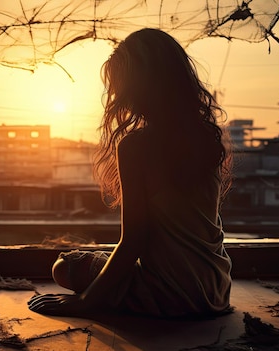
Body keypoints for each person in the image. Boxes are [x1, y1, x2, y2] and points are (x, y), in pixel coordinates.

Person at [28, 28, 233, 319]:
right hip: (215, 290)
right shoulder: (205, 138)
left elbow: (133, 241)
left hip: (172, 294)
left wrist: (86, 302)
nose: (115, 94)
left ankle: (135, 299)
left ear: (138, 86)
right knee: (89, 261)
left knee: (65, 266)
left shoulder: (136, 146)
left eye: (118, 85)